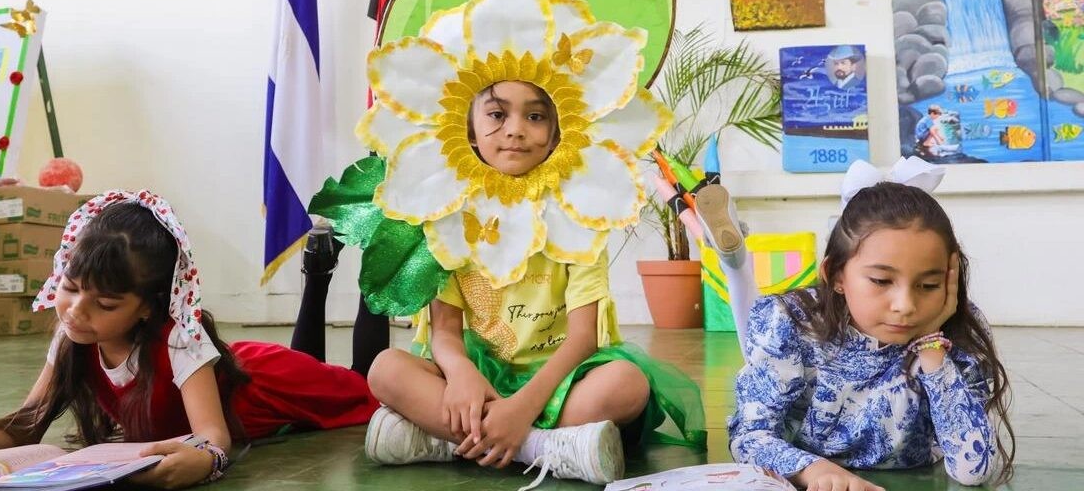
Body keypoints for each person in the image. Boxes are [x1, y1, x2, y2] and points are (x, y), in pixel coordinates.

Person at [0, 191, 382, 488]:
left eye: (105, 304)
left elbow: (214, 436)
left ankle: (354, 269)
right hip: (238, 373)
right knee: (340, 377)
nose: (76, 311)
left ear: (148, 307)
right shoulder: (73, 337)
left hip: (265, 379)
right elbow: (27, 424)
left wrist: (204, 461)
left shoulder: (180, 342)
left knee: (364, 389)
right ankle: (319, 271)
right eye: (69, 288)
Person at [362, 79, 705, 487]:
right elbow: (446, 332)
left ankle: (447, 440)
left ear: (558, 132)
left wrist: (521, 409)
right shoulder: (448, 216)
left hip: (561, 379)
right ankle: (540, 447)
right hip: (482, 376)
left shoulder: (580, 215)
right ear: (468, 127)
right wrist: (461, 374)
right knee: (385, 369)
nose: (515, 129)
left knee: (627, 385)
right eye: (496, 114)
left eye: (536, 116)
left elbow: (583, 339)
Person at [728, 159, 1015, 490]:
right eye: (881, 280)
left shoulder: (958, 328)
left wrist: (932, 347)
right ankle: (733, 261)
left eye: (928, 285)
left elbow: (973, 470)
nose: (905, 305)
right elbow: (749, 435)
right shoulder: (790, 322)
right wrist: (813, 470)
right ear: (836, 275)